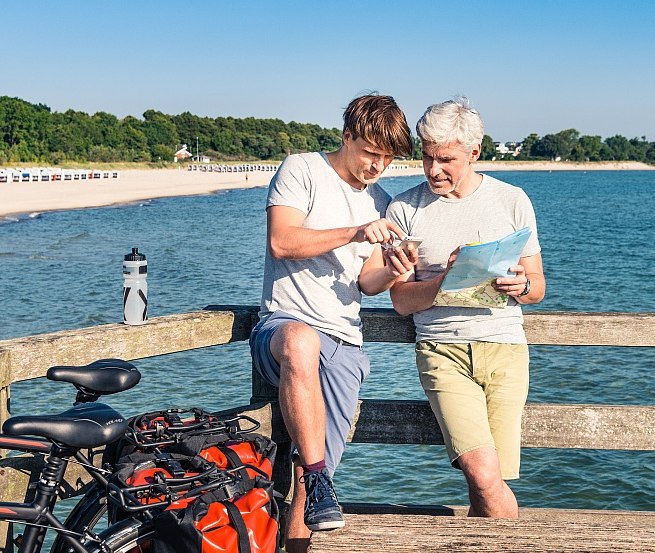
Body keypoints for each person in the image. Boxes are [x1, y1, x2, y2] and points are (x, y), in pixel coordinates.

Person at [249, 94, 415, 549]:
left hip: (344, 342)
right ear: (347, 136)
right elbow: (282, 242)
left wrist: (396, 269)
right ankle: (320, 475)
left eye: (387, 158)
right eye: (370, 152)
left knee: (309, 483)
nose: (377, 166)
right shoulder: (301, 169)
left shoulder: (382, 201)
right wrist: (356, 231)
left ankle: (315, 489)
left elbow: (366, 281)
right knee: (302, 342)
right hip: (284, 326)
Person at [386, 96, 546, 518]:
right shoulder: (404, 208)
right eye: (426, 157)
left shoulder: (511, 200)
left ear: (475, 153)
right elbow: (400, 300)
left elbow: (537, 288)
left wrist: (520, 284)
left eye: (445, 159)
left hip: (507, 350)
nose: (433, 170)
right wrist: (446, 279)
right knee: (482, 473)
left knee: (487, 481)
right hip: (443, 352)